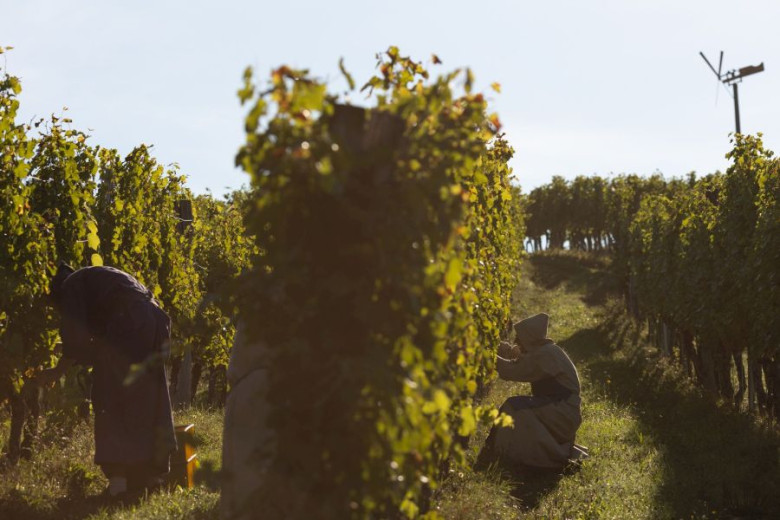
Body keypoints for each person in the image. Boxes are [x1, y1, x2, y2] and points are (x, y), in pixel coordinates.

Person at [38, 262, 177, 497]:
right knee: (147, 398)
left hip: (130, 325)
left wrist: (56, 371)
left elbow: (76, 338)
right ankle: (149, 479)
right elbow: (91, 341)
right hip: (153, 323)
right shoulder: (93, 281)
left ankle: (119, 485)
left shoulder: (70, 286)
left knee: (109, 398)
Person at [484, 313, 587, 469]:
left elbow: (512, 370)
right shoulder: (547, 351)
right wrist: (500, 349)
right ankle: (498, 452)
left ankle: (498, 454)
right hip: (563, 410)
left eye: (519, 339)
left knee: (513, 407)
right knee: (517, 406)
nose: (516, 342)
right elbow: (521, 358)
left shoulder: (545, 355)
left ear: (529, 339)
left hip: (562, 412)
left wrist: (487, 354)